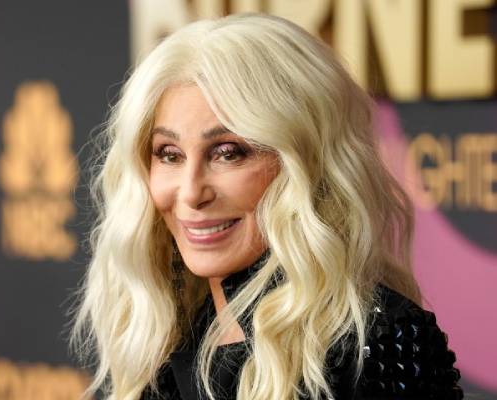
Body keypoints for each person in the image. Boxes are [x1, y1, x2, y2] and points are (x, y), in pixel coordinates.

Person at [72, 13, 463, 400]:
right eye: (169, 154)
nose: (191, 193)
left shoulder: (378, 342)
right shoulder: (164, 342)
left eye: (228, 153)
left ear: (305, 162)